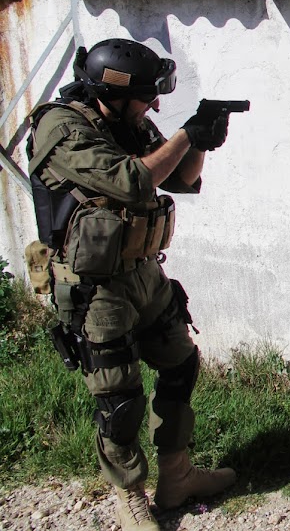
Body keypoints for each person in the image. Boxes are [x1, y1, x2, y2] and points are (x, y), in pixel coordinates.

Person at [25, 39, 237, 530]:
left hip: (143, 272)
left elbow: (179, 179)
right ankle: (130, 497)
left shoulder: (125, 120)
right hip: (95, 285)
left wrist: (200, 141)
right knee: (118, 397)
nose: (155, 106)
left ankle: (177, 478)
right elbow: (132, 181)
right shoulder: (61, 127)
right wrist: (185, 134)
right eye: (147, 97)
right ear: (113, 92)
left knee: (180, 363)